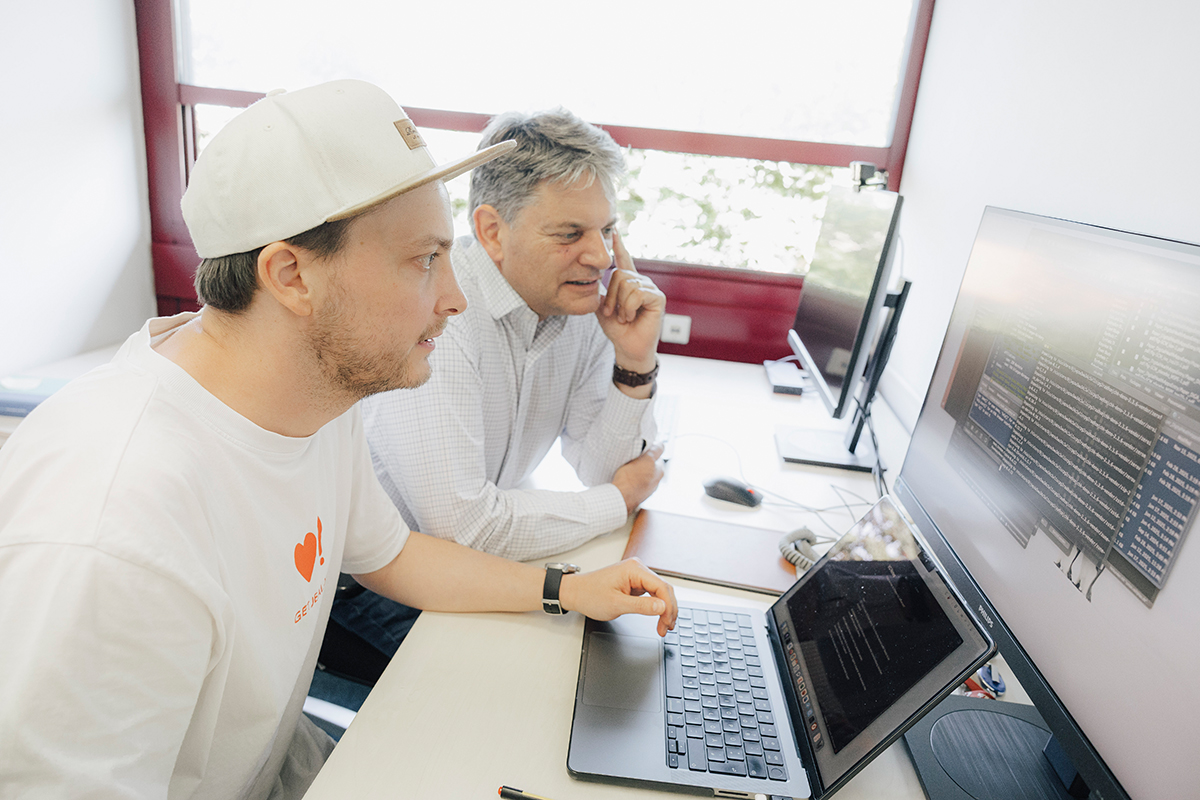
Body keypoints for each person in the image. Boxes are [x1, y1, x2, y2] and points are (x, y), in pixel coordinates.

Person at [0, 80, 676, 799]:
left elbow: (393, 554)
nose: (454, 296)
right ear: (292, 275)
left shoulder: (322, 399)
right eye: (423, 260)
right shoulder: (114, 521)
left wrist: (569, 590)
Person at [343, 110, 667, 655]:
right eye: (571, 234)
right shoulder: (440, 318)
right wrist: (617, 500)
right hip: (372, 583)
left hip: (474, 560)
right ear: (492, 232)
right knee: (534, 671)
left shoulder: (582, 301)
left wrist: (634, 362)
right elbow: (464, 529)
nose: (602, 256)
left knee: (601, 651)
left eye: (607, 229)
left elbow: (600, 469)